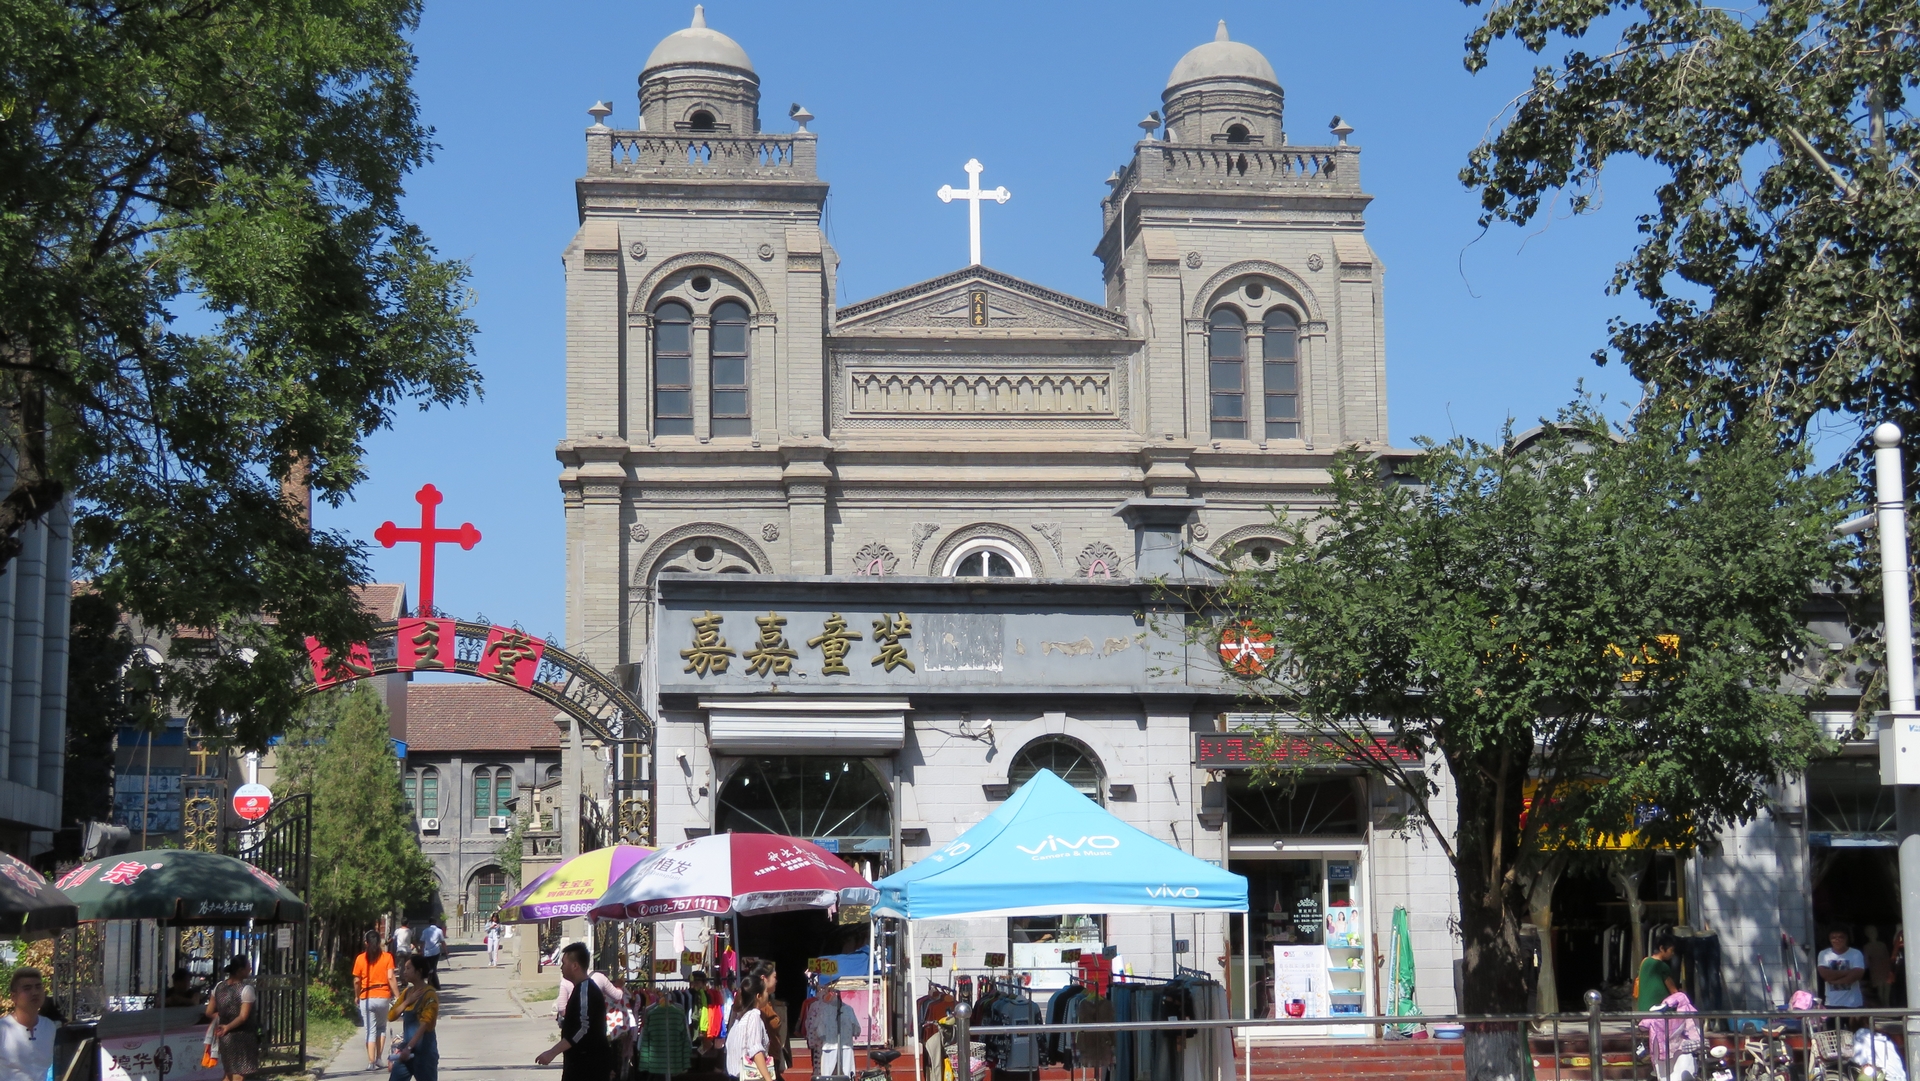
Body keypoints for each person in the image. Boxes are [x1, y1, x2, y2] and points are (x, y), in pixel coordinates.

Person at [538, 942, 611, 1081]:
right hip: (579, 1064)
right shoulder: (580, 989)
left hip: (588, 1066)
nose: (561, 967)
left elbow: (582, 1028)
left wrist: (552, 1052)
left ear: (575, 965)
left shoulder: (586, 991)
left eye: (564, 963)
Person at [206, 955, 259, 1081]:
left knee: (229, 1073)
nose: (250, 969)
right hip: (242, 1036)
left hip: (225, 1038)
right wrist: (228, 1027)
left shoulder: (219, 986)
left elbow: (209, 1012)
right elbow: (243, 1016)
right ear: (240, 970)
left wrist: (223, 1018)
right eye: (248, 967)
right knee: (239, 1074)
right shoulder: (246, 990)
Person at [388, 954, 439, 1081]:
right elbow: (391, 1016)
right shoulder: (407, 993)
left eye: (408, 968)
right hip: (407, 1053)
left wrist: (409, 1047)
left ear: (419, 971)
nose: (404, 972)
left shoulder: (430, 995)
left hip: (424, 1054)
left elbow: (424, 1025)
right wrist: (406, 1002)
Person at [0, 968, 57, 1081]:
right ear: (13, 997)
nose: (35, 992)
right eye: (27, 988)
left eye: (38, 987)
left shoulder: (49, 1027)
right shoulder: (3, 1029)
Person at [354, 930, 397, 1069]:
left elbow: (356, 981)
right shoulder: (387, 957)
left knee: (370, 1030)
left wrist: (356, 995)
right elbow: (390, 977)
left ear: (366, 943)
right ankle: (379, 1058)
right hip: (383, 996)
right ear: (379, 943)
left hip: (366, 997)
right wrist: (397, 995)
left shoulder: (360, 959)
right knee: (381, 1028)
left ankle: (371, 1062)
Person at [804, 982, 860, 1080]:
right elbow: (857, 1029)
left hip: (829, 1047)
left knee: (828, 1075)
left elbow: (817, 1027)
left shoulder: (825, 1009)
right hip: (845, 1046)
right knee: (846, 1074)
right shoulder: (848, 1009)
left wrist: (821, 1038)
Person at [724, 976, 772, 1081]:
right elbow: (756, 1050)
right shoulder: (753, 1016)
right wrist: (768, 1078)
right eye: (766, 991)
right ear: (758, 996)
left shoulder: (739, 1018)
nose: (768, 994)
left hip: (734, 1076)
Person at [1819, 928, 1868, 1012]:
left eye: (1840, 937)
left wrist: (1835, 981)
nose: (1837, 939)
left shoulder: (1856, 953)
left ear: (1846, 939)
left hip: (1853, 1004)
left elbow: (1857, 975)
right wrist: (1849, 972)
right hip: (1832, 1004)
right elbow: (1825, 975)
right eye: (1833, 937)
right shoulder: (1824, 954)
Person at [1636, 935, 1681, 1013]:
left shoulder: (1645, 962)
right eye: (1671, 950)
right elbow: (1674, 991)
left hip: (1642, 1009)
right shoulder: (1662, 966)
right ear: (1662, 948)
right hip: (1658, 1010)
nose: (1673, 953)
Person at [1864, 925, 1896, 1007]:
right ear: (1867, 934)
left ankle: (1887, 1008)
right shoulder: (1867, 947)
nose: (1873, 934)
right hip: (1875, 971)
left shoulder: (1882, 945)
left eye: (1874, 932)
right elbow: (1866, 962)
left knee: (1887, 992)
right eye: (1870, 932)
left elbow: (1888, 958)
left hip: (1886, 970)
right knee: (1880, 992)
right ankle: (1884, 1009)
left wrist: (1891, 970)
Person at [418, 918, 445, 990]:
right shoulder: (439, 931)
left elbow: (422, 942)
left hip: (427, 952)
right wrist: (445, 950)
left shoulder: (425, 931)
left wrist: (421, 951)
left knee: (430, 968)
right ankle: (434, 985)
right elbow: (442, 941)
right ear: (435, 922)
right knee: (433, 968)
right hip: (436, 952)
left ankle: (431, 984)